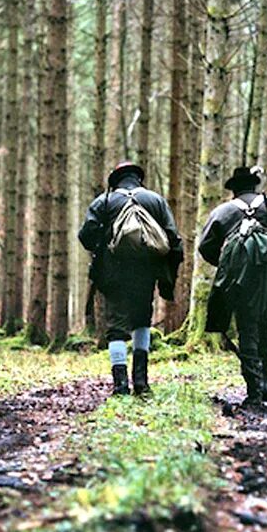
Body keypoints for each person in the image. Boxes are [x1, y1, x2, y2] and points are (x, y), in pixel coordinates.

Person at [198, 165, 267, 407]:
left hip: (238, 279)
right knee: (265, 322)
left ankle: (254, 389)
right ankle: (265, 381)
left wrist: (226, 263)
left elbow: (205, 247)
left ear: (233, 189)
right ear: (254, 185)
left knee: (246, 327)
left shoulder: (222, 212)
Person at [78, 161, 183, 395]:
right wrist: (167, 276)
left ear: (115, 180)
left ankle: (120, 384)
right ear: (139, 178)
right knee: (142, 321)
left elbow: (86, 236)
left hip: (113, 273)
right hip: (146, 271)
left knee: (116, 327)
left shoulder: (104, 201)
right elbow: (173, 238)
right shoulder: (155, 200)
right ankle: (142, 382)